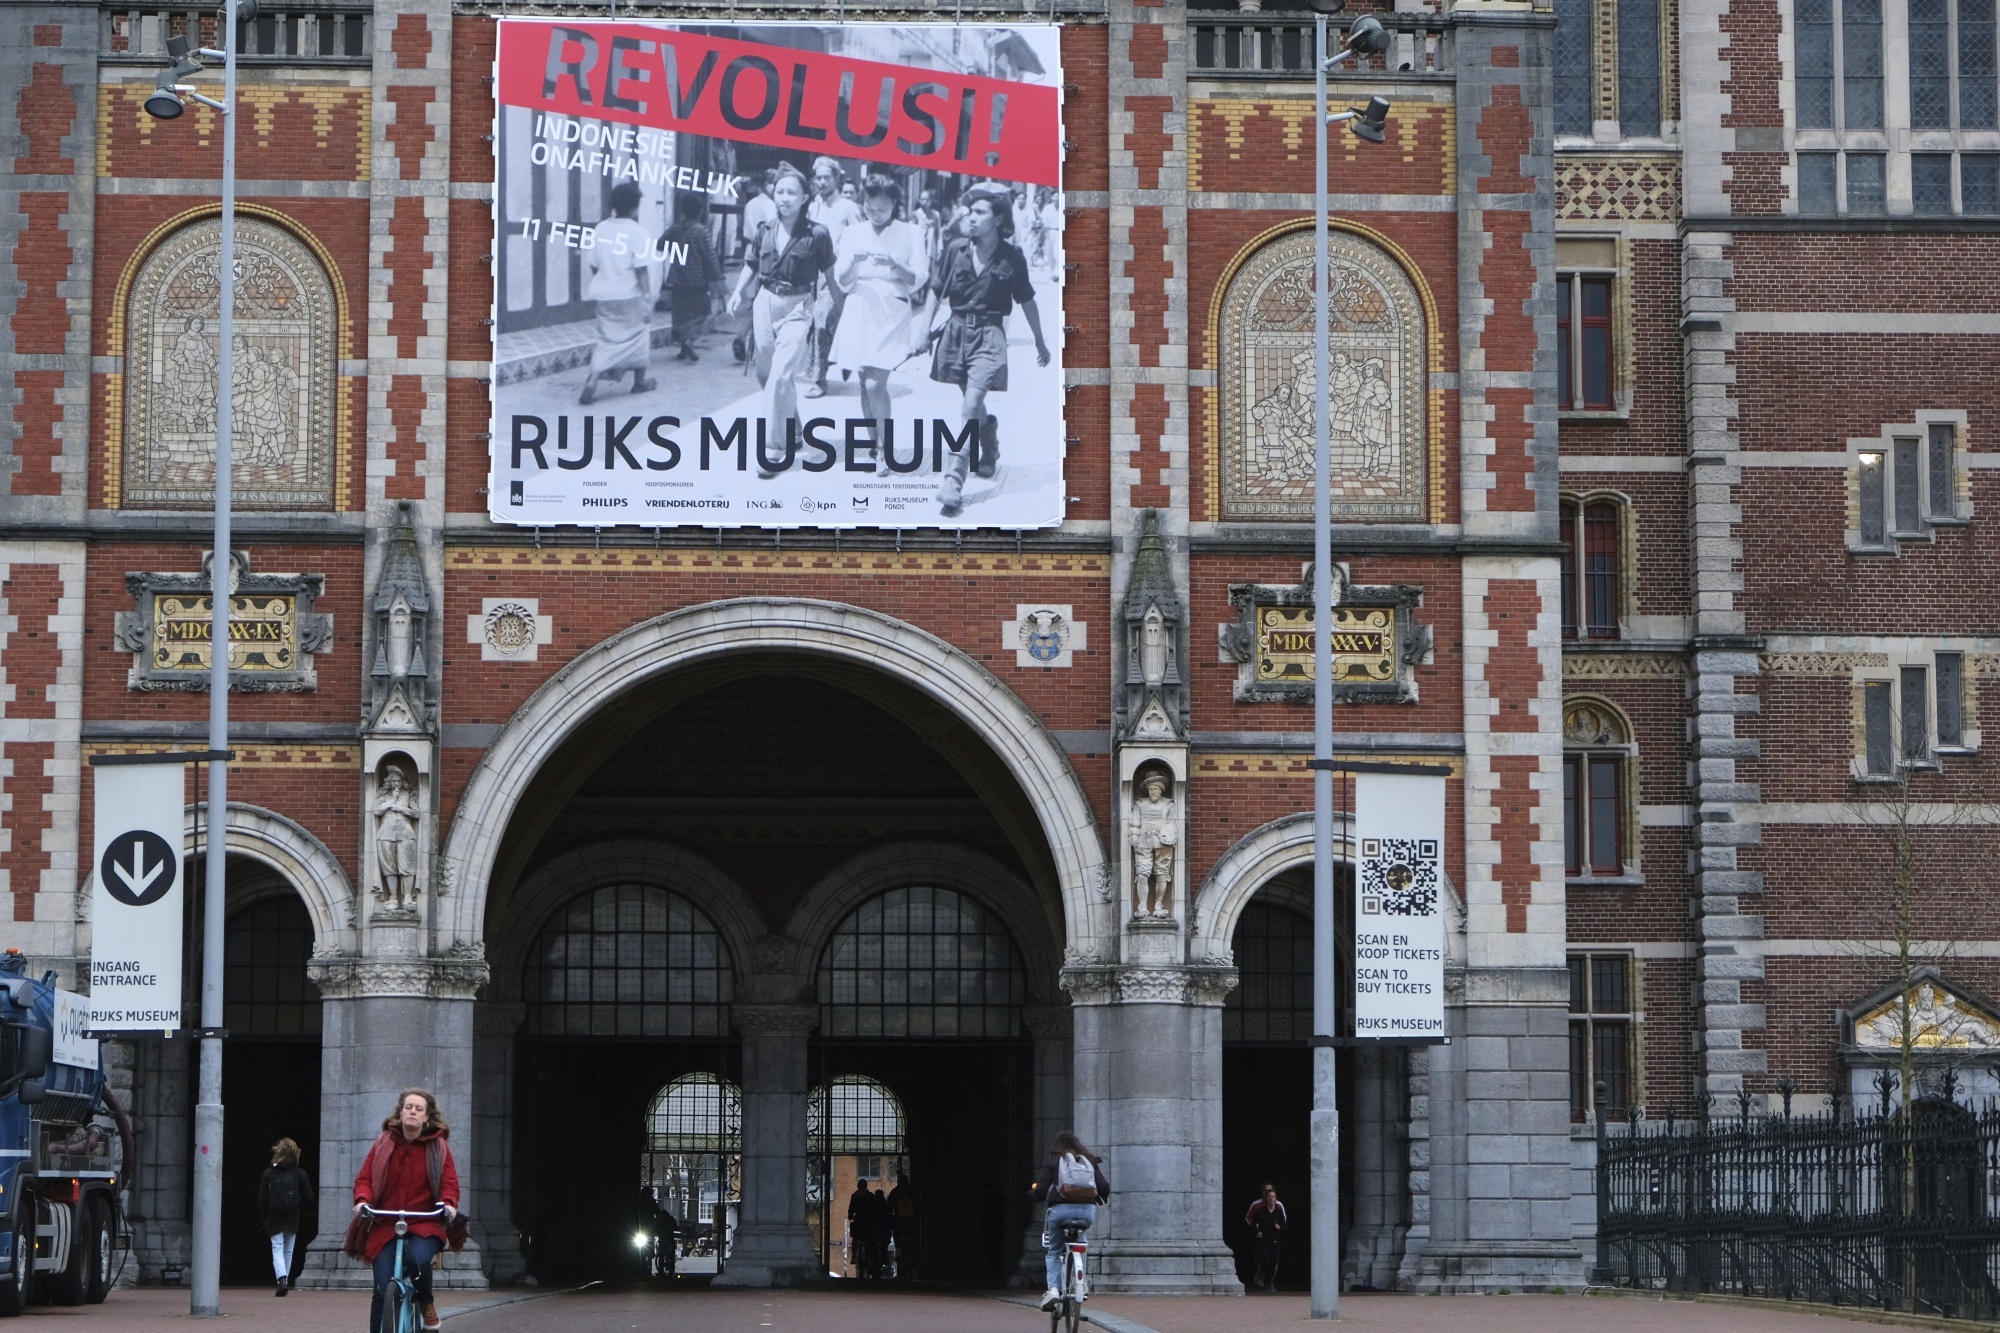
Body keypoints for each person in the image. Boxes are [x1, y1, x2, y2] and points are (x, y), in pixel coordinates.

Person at [927, 182, 1051, 516]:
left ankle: (952, 482)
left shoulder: (1013, 258)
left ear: (998, 219)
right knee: (974, 406)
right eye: (969, 212)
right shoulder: (955, 249)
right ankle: (989, 439)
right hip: (955, 334)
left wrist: (1040, 341)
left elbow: (1027, 300)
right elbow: (935, 290)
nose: (970, 218)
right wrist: (922, 331)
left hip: (990, 336)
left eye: (979, 212)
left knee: (968, 407)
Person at [726, 164, 834, 479]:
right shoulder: (765, 229)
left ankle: (775, 449)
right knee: (766, 376)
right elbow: (750, 263)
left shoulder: (817, 234)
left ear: (804, 198)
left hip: (799, 306)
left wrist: (842, 310)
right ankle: (796, 427)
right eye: (780, 191)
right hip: (764, 302)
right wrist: (737, 292)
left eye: (792, 193)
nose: (784, 197)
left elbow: (830, 275)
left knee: (781, 376)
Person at [830, 174, 930, 476]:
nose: (876, 216)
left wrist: (895, 265)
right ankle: (875, 446)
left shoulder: (911, 232)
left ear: (895, 205)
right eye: (871, 209)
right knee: (863, 381)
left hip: (892, 309)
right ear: (864, 205)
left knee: (876, 382)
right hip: (860, 307)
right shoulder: (853, 232)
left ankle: (886, 448)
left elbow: (920, 278)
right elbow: (842, 279)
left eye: (883, 210)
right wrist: (853, 262)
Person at [348, 1088, 462, 1333]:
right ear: (400, 1114)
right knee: (381, 1288)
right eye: (408, 1107)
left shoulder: (438, 1148)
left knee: (419, 1260)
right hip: (386, 1223)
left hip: (424, 1223)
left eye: (418, 1109)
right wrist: (362, 1200)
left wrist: (448, 1203)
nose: (412, 1112)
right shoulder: (383, 1145)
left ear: (426, 1118)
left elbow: (449, 1183)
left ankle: (425, 1304)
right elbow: (365, 1179)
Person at [578, 181, 657, 405]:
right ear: (634, 207)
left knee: (606, 339)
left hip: (604, 293)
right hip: (629, 294)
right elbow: (641, 270)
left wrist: (607, 277)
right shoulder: (639, 232)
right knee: (640, 335)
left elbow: (593, 263)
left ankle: (593, 378)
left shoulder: (600, 229)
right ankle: (639, 382)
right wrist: (648, 298)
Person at [1031, 1131, 1108, 1311]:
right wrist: (1101, 1198)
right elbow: (1103, 1186)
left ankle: (1054, 1290)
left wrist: (1031, 1195)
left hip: (1060, 1212)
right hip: (1086, 1212)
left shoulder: (1053, 1160)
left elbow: (1041, 1191)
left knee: (1054, 1250)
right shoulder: (1088, 1160)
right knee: (1080, 1243)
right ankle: (1081, 1284)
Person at [806, 156, 864, 396]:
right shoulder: (811, 206)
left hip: (838, 275)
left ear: (836, 178)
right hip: (813, 274)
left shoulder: (848, 208)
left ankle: (819, 380)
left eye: (826, 177)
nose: (821, 182)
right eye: (818, 177)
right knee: (814, 323)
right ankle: (834, 362)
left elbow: (861, 238)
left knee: (824, 321)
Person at [661, 190, 725, 363]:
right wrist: (718, 279)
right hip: (698, 280)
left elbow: (660, 245)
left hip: (677, 279)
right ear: (700, 211)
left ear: (682, 210)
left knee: (680, 314)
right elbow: (711, 258)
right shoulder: (701, 232)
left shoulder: (674, 229)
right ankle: (689, 341)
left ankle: (683, 348)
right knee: (700, 313)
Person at [259, 1137, 315, 1296]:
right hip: (293, 1215)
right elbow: (309, 1197)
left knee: (277, 1247)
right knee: (288, 1250)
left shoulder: (269, 1173)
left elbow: (261, 1198)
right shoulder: (300, 1173)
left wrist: (266, 1215)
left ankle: (281, 1279)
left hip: (274, 1216)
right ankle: (285, 1280)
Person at [1245, 1182, 1287, 1291]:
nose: (1270, 1198)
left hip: (1274, 1238)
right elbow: (1250, 1219)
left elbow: (1284, 1221)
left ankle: (1270, 1283)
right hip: (1262, 1237)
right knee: (1264, 1261)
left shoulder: (1279, 1207)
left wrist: (1279, 1226)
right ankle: (1261, 1275)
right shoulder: (1257, 1206)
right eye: (1267, 1193)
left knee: (1274, 1262)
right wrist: (1257, 1229)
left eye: (1272, 1196)